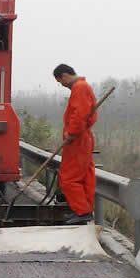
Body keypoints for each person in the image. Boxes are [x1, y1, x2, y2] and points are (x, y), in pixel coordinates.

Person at [53, 64, 98, 225]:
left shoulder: (79, 88)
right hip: (82, 137)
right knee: (85, 175)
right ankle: (84, 209)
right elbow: (87, 114)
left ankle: (82, 211)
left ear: (64, 75)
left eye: (60, 82)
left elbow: (80, 114)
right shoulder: (83, 87)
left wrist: (71, 133)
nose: (62, 85)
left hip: (77, 139)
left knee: (68, 178)